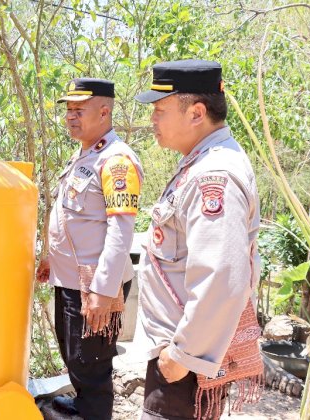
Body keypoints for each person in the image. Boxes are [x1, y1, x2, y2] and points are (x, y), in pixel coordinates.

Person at [133, 60, 263, 419]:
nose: (153, 120)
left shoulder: (215, 174)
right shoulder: (202, 162)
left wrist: (184, 354)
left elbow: (222, 276)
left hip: (185, 360)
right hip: (180, 350)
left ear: (197, 112)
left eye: (160, 110)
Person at [36, 78, 143, 419]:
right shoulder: (86, 154)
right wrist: (50, 258)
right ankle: (83, 406)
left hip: (93, 285)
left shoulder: (117, 161)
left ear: (104, 111)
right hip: (70, 281)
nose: (70, 117)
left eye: (79, 110)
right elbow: (72, 217)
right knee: (76, 357)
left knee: (91, 365)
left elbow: (120, 229)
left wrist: (102, 289)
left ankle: (92, 411)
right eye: (68, 110)